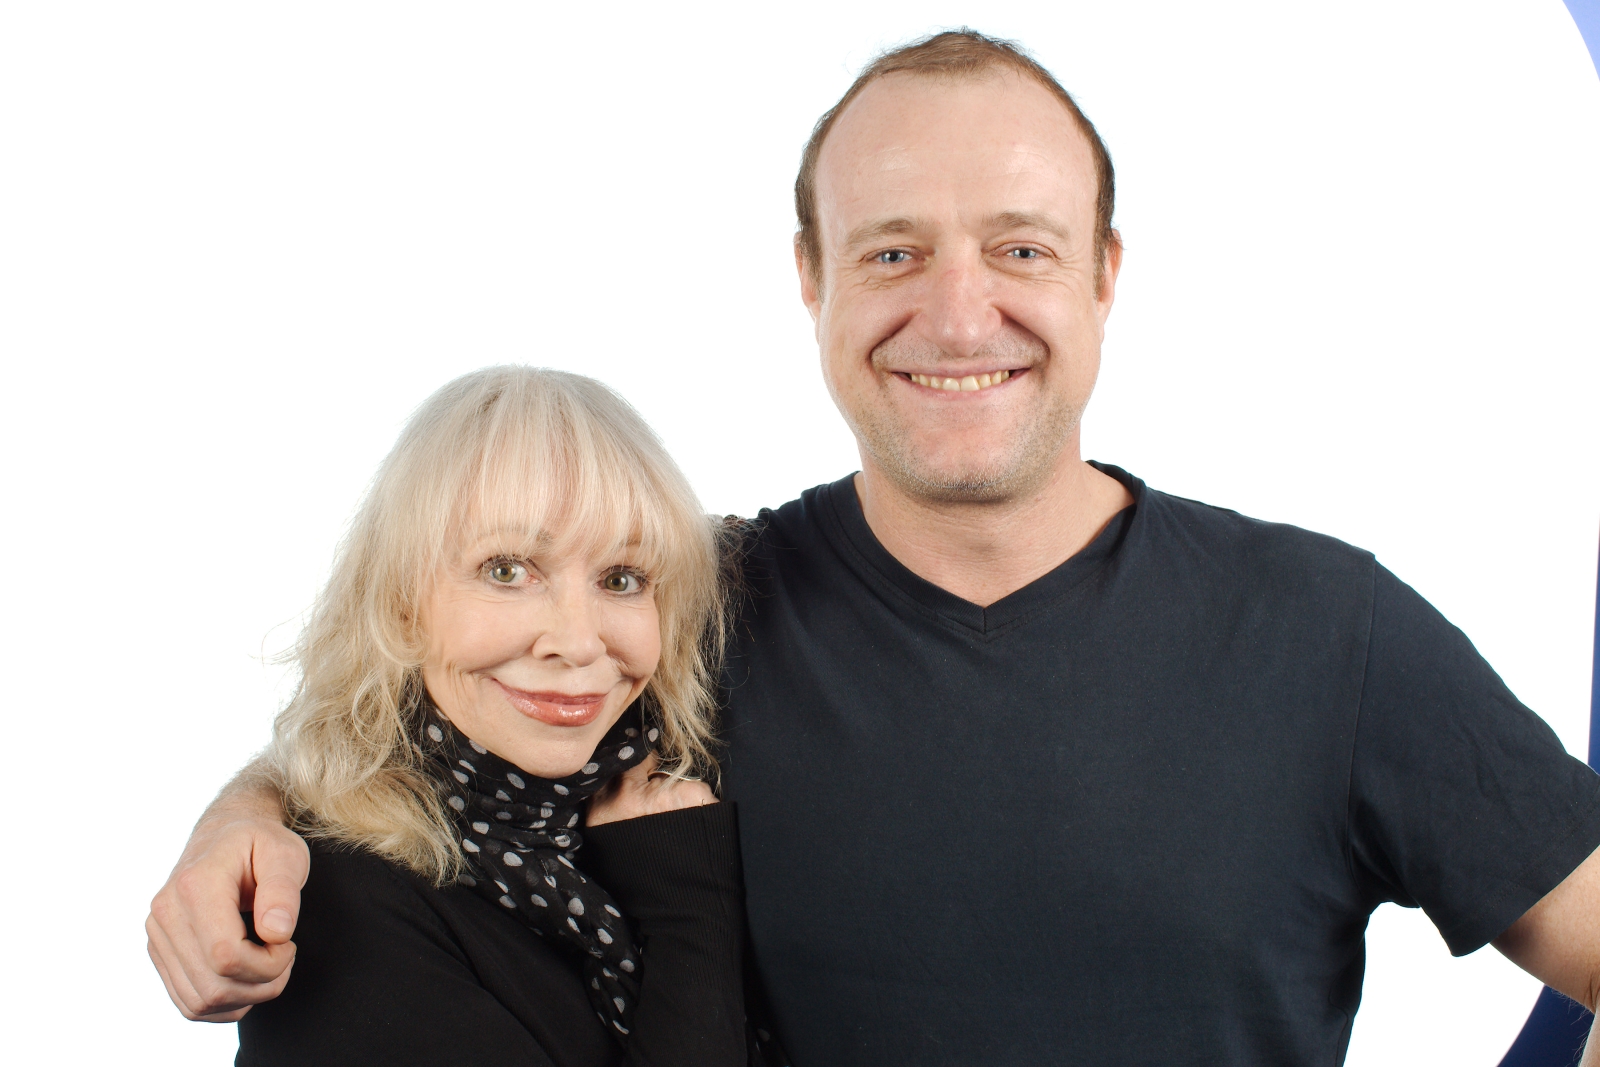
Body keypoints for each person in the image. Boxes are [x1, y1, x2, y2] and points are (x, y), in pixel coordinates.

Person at [148, 30, 1600, 1066]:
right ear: (813, 280)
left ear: (1104, 275)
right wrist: (241, 818)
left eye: (1020, 248)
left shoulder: (1326, 632)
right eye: (894, 250)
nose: (958, 314)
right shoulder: (684, 612)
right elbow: (408, 717)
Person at [216, 366, 761, 1066]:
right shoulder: (341, 912)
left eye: (621, 578)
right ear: (401, 604)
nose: (578, 641)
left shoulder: (642, 792)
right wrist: (689, 914)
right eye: (507, 570)